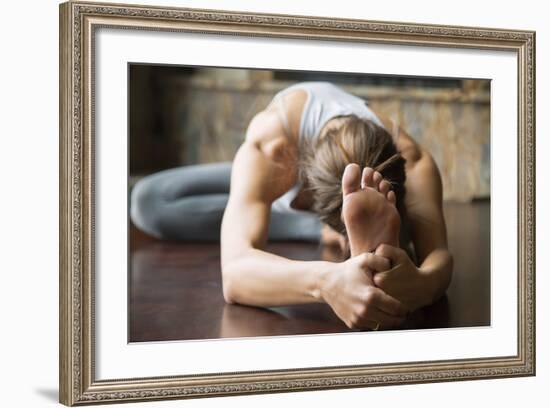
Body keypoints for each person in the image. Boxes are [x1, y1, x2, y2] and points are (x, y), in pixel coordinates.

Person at [131, 81, 453, 331]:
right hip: (281, 183)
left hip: (358, 194)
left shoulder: (412, 160)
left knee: (410, 224)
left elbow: (439, 257)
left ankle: (375, 242)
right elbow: (234, 273)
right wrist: (326, 282)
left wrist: (421, 285)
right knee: (148, 200)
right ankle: (325, 232)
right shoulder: (273, 146)